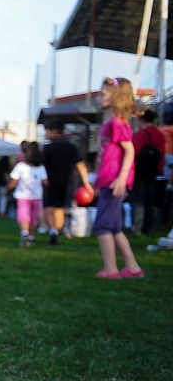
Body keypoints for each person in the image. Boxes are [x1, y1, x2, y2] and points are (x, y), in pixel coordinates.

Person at [94, 77, 144, 279]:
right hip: (108, 179)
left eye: (102, 94)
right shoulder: (111, 121)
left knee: (102, 226)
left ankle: (111, 269)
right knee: (114, 227)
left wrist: (122, 178)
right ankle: (133, 268)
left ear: (116, 97)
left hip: (115, 181)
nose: (98, 97)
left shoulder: (118, 123)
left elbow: (129, 151)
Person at [42, 119, 92, 244]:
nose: (46, 134)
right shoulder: (71, 147)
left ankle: (53, 230)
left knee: (48, 208)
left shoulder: (48, 148)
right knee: (59, 208)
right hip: (66, 183)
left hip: (49, 182)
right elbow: (80, 165)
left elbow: (42, 166)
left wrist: (43, 179)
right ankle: (57, 232)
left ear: (54, 131)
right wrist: (86, 183)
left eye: (47, 131)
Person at [131, 109, 166, 235]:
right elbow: (162, 154)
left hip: (139, 172)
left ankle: (137, 228)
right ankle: (148, 228)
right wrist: (160, 169)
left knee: (138, 200)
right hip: (154, 172)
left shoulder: (141, 134)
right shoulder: (159, 134)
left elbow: (134, 152)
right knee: (149, 200)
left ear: (141, 120)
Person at [7, 142, 49, 246]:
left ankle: (24, 234)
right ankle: (32, 236)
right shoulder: (41, 168)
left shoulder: (20, 166)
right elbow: (45, 182)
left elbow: (13, 181)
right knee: (34, 218)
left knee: (23, 216)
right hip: (36, 196)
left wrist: (8, 189)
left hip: (23, 196)